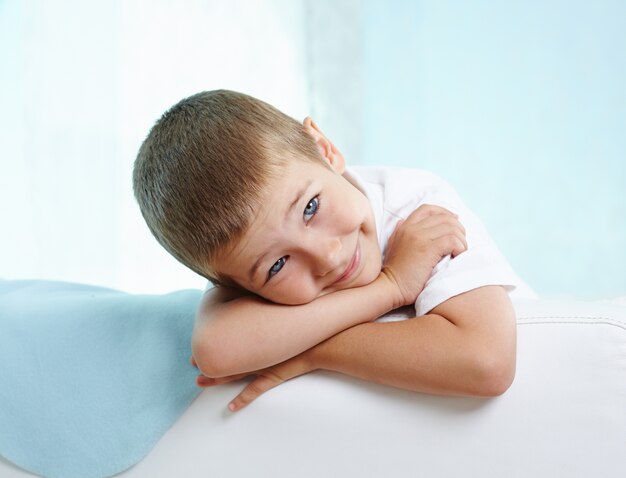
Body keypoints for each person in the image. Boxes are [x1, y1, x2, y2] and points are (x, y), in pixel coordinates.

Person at [133, 89, 533, 412]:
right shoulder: (242, 251)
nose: (326, 256)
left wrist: (310, 353)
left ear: (324, 148)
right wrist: (390, 286)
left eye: (310, 208)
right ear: (234, 283)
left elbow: (486, 363)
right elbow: (216, 352)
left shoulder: (418, 212)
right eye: (277, 265)